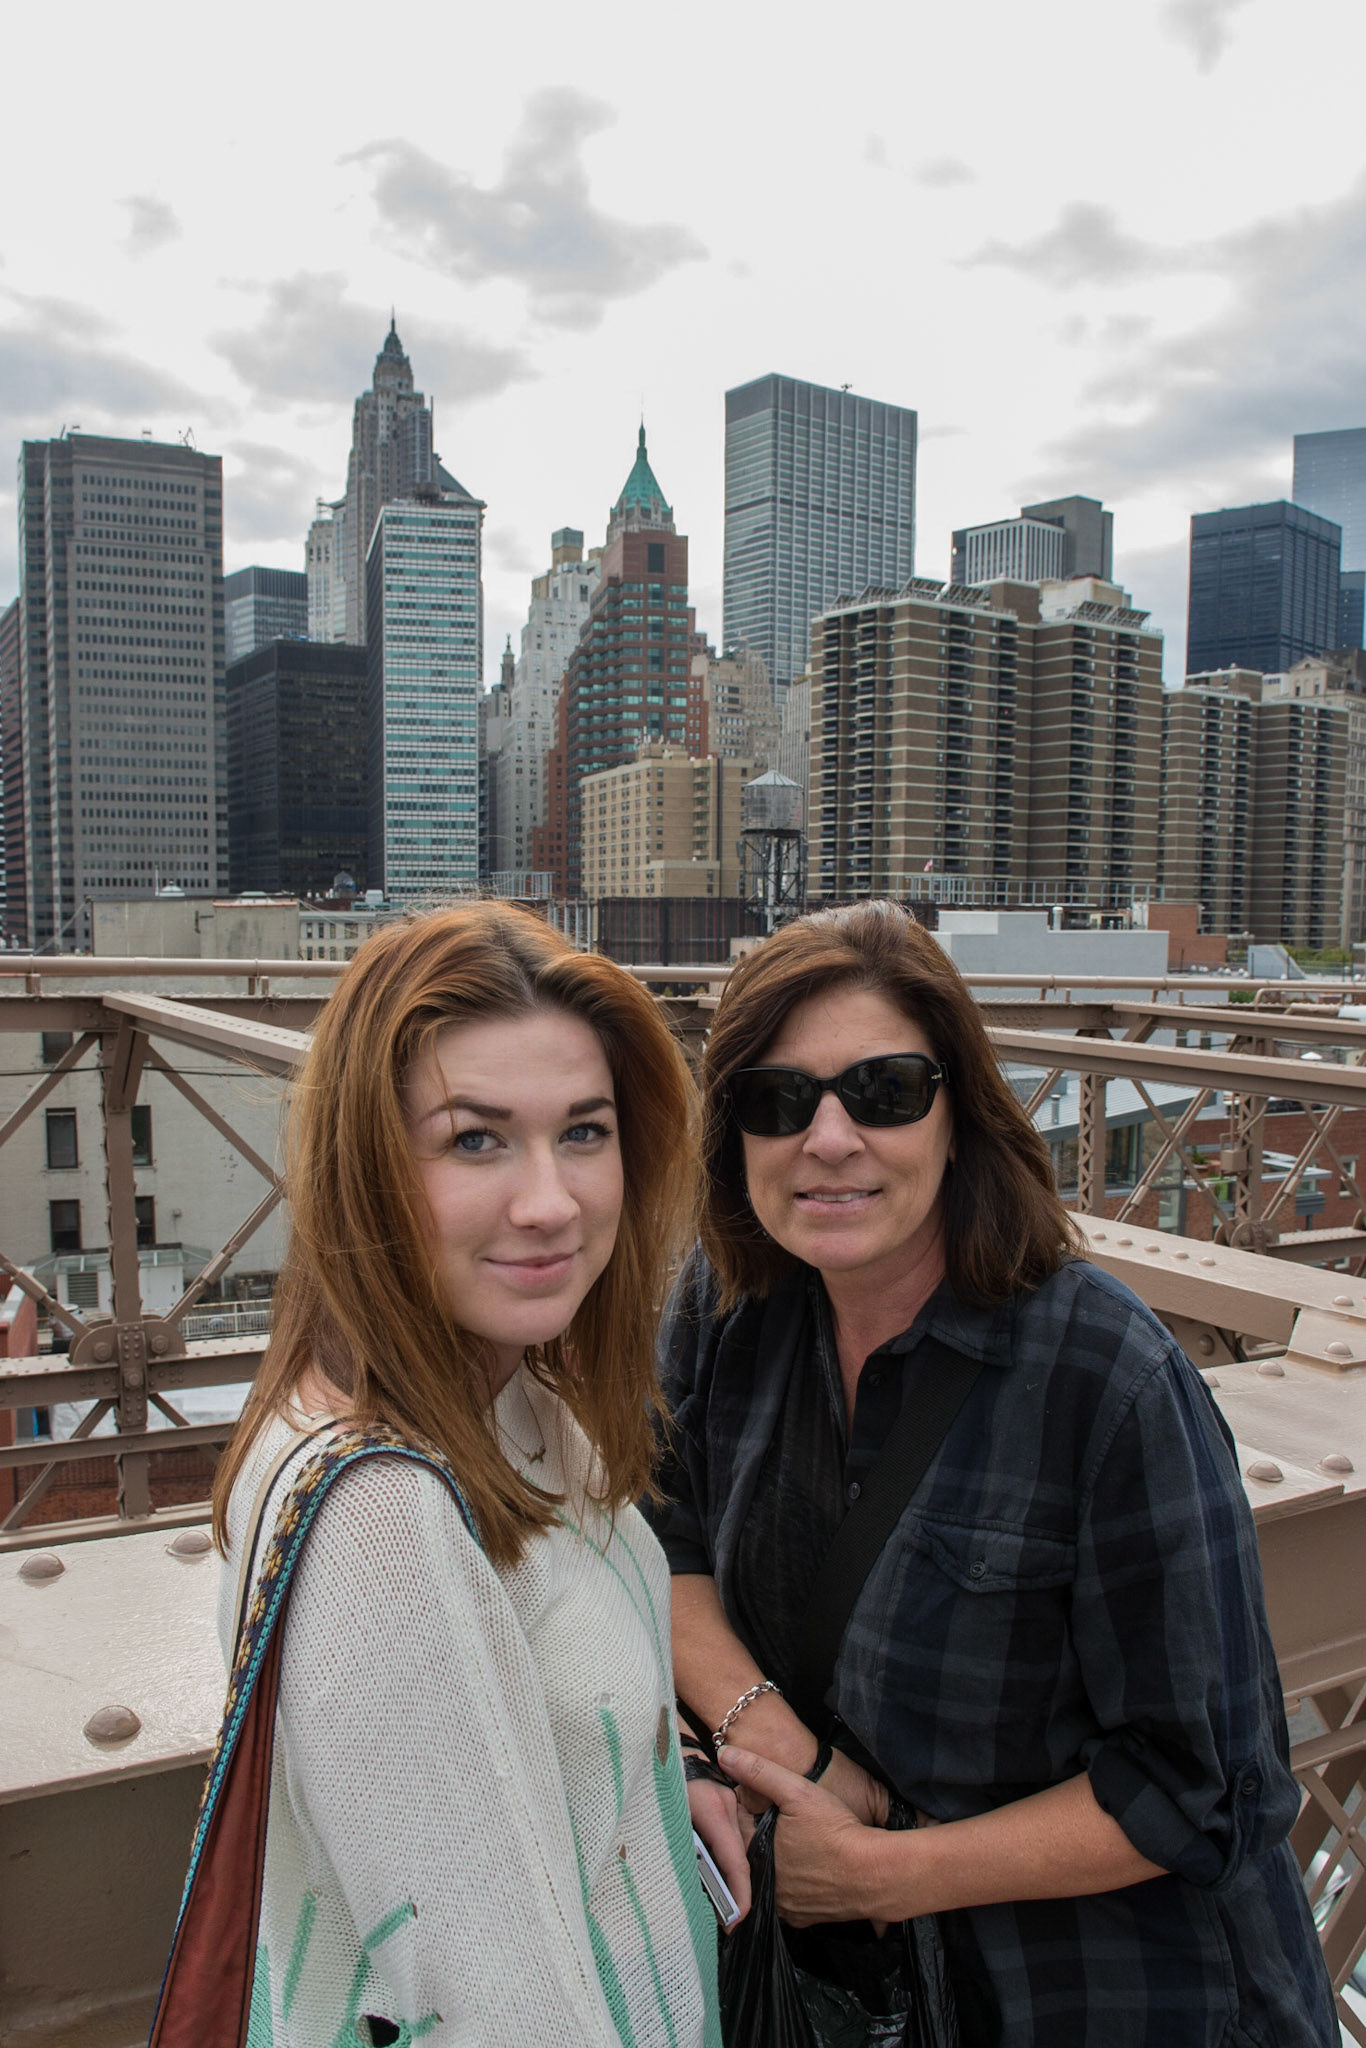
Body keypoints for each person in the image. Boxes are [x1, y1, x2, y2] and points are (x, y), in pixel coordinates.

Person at [645, 900, 1337, 2046]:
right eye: (778, 1098)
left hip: (1095, 1996)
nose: (828, 1137)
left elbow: (1203, 1786)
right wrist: (769, 1734)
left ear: (958, 1110)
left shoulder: (1104, 1377)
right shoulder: (728, 1308)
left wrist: (879, 1871)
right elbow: (656, 1529)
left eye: (884, 1090)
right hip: (853, 1997)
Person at [210, 903, 729, 2048]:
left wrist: (652, 1780)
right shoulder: (380, 1517)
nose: (550, 1201)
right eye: (475, 1139)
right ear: (366, 1168)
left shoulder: (517, 1390)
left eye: (584, 1131)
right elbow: (498, 2012)